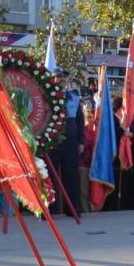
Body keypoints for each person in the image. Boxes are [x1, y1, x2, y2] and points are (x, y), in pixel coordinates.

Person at [50, 70, 84, 216]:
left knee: (71, 175)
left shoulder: (74, 98)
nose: (61, 79)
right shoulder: (45, 96)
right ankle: (49, 209)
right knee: (50, 176)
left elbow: (80, 122)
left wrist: (81, 141)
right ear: (52, 78)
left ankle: (72, 209)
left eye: (63, 77)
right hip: (51, 141)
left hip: (70, 141)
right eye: (58, 76)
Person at [78, 101, 96, 214]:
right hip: (83, 164)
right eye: (88, 117)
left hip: (94, 165)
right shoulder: (83, 132)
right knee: (84, 190)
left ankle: (93, 208)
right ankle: (86, 210)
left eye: (91, 117)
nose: (90, 119)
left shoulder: (95, 131)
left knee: (93, 190)